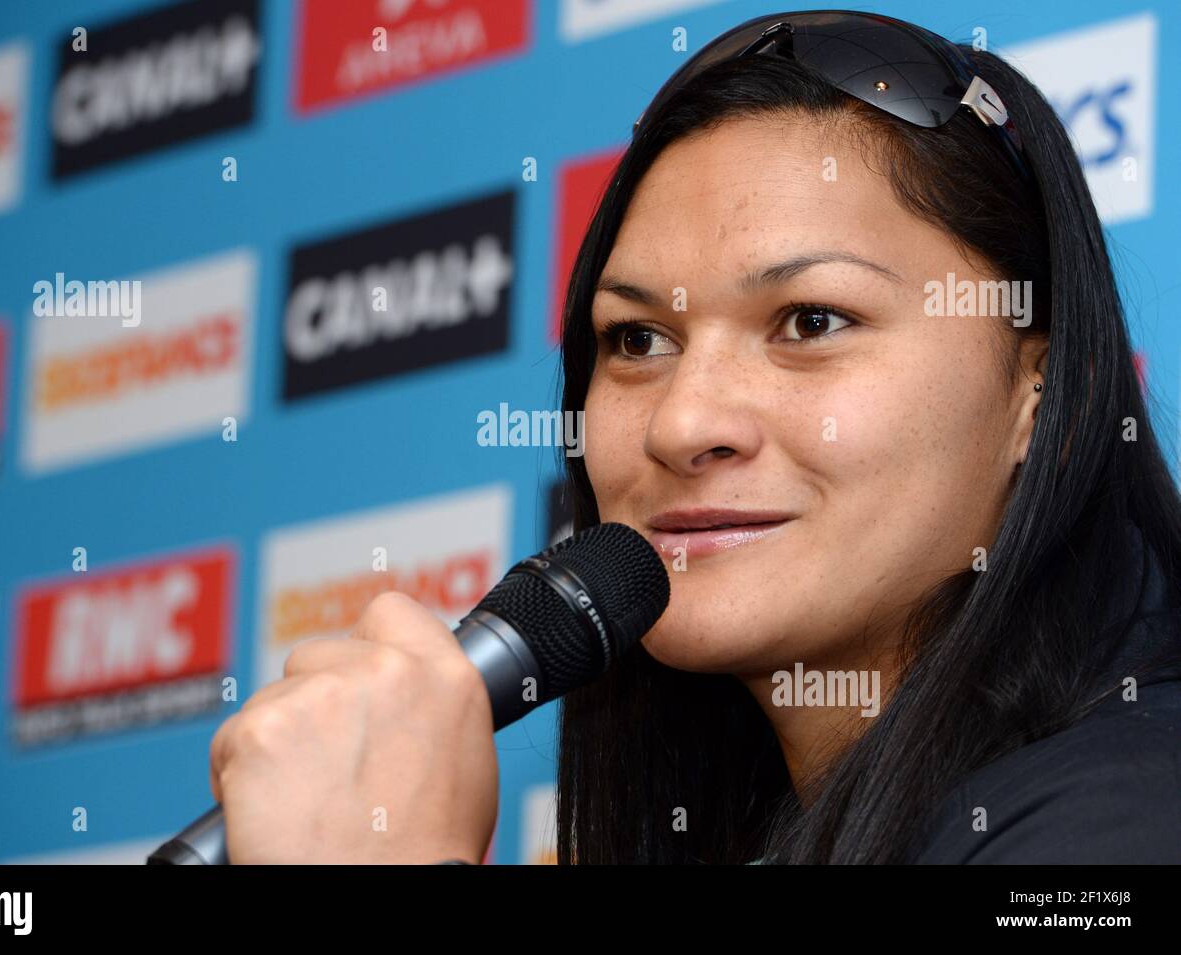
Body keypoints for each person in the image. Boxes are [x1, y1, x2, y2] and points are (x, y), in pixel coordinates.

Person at [208, 10, 1181, 864]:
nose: (682, 422)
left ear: (1039, 392)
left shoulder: (1130, 815)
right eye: (636, 339)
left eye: (809, 321)